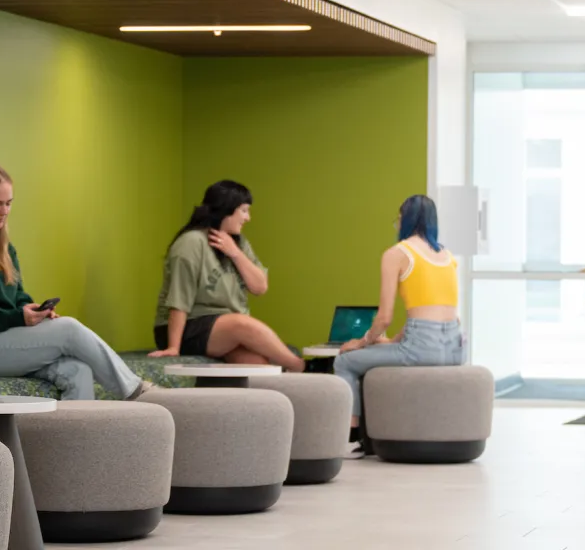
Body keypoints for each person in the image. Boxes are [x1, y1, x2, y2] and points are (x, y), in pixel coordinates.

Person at [0, 163, 151, 401]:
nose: (4, 211)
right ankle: (135, 392)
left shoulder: (2, 247)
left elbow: (16, 296)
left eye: (8, 203)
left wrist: (35, 312)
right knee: (69, 330)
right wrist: (17, 318)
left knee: (78, 371)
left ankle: (74, 438)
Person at [333, 195, 465, 455]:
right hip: (456, 349)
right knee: (377, 352)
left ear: (405, 219)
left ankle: (350, 440)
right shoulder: (447, 256)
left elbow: (384, 318)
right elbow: (437, 315)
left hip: (421, 349)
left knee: (345, 362)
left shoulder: (397, 253)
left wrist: (360, 343)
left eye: (398, 218)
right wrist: (393, 342)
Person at [148, 180, 305, 371]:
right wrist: (173, 347)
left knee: (259, 366)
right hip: (186, 326)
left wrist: (235, 253)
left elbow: (259, 287)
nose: (248, 218)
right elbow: (180, 298)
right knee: (242, 324)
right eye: (244, 211)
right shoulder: (191, 243)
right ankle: (302, 367)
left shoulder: (238, 243)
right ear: (227, 209)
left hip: (223, 329)